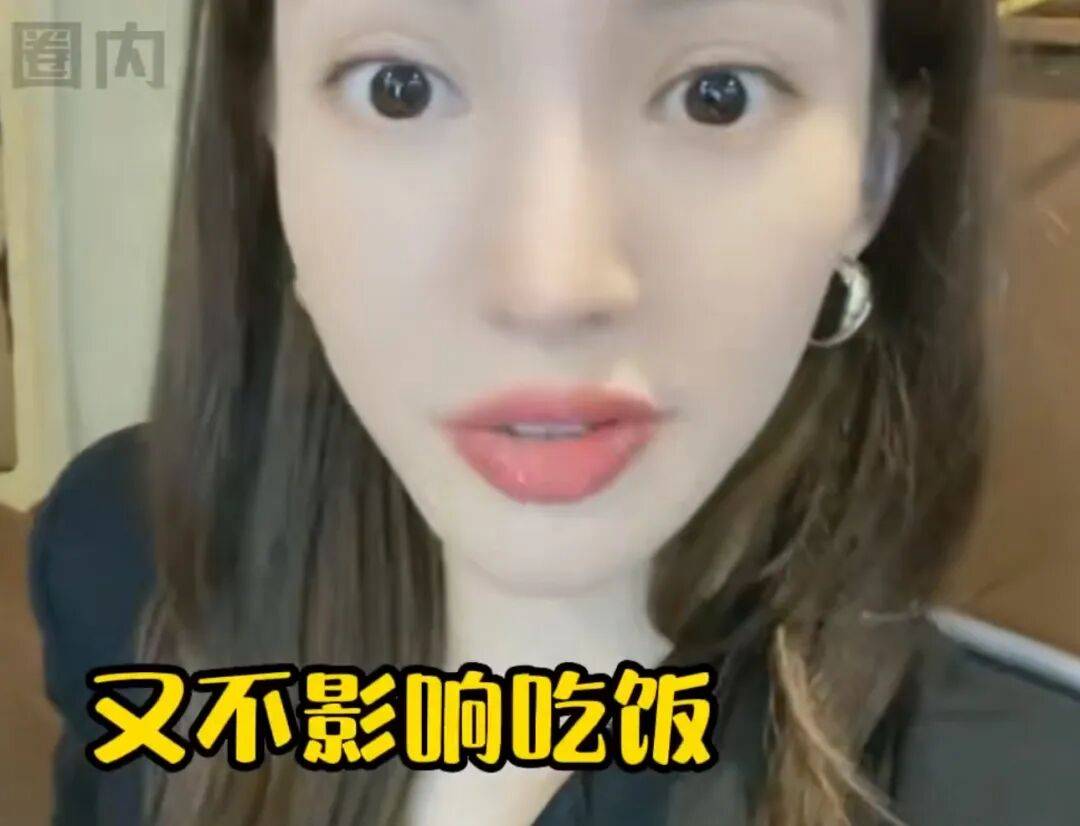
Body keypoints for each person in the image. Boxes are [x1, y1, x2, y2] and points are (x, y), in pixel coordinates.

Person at [29, 1, 1080, 825]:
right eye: (400, 88)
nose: (548, 287)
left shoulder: (1022, 789)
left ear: (874, 172)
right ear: (268, 137)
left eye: (718, 96)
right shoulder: (127, 557)